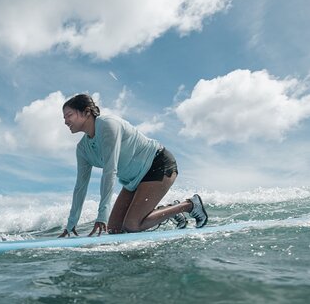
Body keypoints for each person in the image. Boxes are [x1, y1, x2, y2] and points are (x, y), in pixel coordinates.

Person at [59, 93, 207, 237]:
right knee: (114, 229)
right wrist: (72, 223)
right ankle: (169, 211)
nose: (65, 121)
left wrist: (102, 216)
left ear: (86, 112)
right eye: (64, 117)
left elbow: (110, 171)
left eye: (69, 115)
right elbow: (80, 186)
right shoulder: (82, 149)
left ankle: (189, 205)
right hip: (133, 181)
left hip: (157, 164)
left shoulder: (108, 125)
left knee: (132, 225)